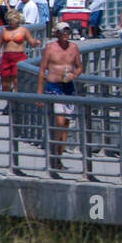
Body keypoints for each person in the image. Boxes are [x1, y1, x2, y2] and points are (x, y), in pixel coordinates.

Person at [36, 22, 83, 170]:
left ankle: (58, 158)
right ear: (56, 33)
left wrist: (74, 75)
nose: (65, 34)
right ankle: (54, 155)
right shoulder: (50, 48)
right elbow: (42, 70)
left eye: (67, 31)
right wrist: (39, 92)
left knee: (66, 126)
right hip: (53, 87)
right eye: (63, 31)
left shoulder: (74, 48)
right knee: (60, 121)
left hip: (68, 87)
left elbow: (80, 66)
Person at [0, 10, 37, 93]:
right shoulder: (4, 30)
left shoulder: (23, 30)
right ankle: (8, 101)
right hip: (6, 57)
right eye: (9, 21)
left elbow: (32, 42)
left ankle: (16, 102)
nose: (10, 23)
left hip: (19, 56)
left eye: (12, 22)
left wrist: (36, 43)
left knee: (17, 81)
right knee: (5, 83)